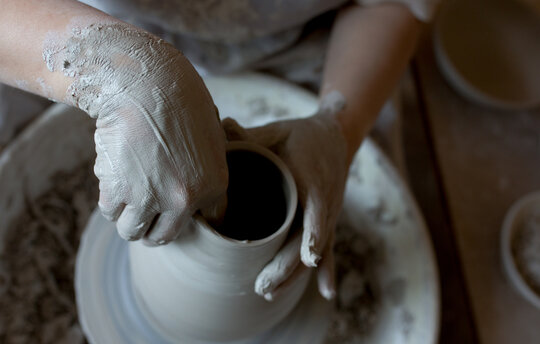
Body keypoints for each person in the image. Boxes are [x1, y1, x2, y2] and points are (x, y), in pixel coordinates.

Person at [0, 0, 438, 302]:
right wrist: (114, 71)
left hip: (304, 47)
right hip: (74, 24)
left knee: (362, 196)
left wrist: (338, 126)